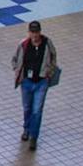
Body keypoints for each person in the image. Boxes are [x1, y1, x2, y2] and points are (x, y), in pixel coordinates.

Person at [11, 20, 58, 150]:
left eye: (36, 32)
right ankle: (26, 129)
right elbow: (14, 59)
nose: (34, 35)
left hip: (41, 82)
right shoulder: (23, 45)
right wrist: (18, 71)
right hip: (26, 82)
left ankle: (33, 136)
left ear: (40, 32)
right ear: (29, 32)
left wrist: (50, 71)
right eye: (32, 32)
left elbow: (53, 56)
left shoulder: (47, 43)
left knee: (37, 110)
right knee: (27, 108)